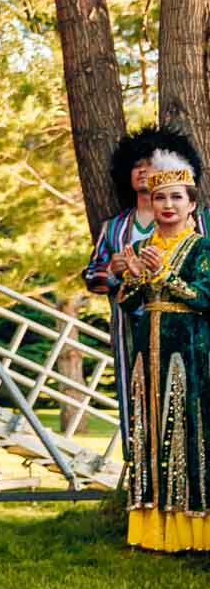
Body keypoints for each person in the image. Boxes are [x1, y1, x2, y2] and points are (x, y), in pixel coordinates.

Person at [116, 149, 210, 553]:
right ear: (151, 205)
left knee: (185, 425)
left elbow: (204, 298)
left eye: (176, 197)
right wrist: (135, 277)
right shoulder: (143, 246)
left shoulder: (202, 248)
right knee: (149, 426)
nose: (167, 205)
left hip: (187, 351)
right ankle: (152, 528)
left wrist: (165, 274)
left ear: (191, 205)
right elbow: (127, 303)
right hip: (146, 350)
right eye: (159, 198)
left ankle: (191, 529)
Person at [84, 127, 204, 407]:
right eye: (136, 165)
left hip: (190, 331)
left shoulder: (200, 222)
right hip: (133, 328)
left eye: (149, 164)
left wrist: (165, 274)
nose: (142, 171)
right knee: (137, 401)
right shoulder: (114, 228)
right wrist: (114, 272)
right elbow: (93, 275)